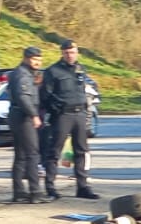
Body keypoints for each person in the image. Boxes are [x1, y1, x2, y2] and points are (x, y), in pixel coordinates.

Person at [40, 39, 99, 200]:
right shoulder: (53, 71)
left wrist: (86, 115)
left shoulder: (80, 69)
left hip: (79, 114)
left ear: (77, 53)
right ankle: (50, 188)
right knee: (54, 152)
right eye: (66, 53)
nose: (70, 55)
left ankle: (82, 187)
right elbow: (45, 95)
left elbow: (84, 92)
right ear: (62, 53)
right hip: (62, 116)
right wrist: (56, 109)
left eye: (72, 52)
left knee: (81, 151)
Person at [7, 45, 46, 202]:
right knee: (32, 154)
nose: (37, 62)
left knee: (21, 155)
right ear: (26, 58)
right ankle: (35, 192)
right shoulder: (22, 75)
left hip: (17, 115)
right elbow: (23, 97)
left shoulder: (25, 73)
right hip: (23, 116)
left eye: (39, 59)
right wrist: (34, 115)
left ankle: (19, 192)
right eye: (34, 59)